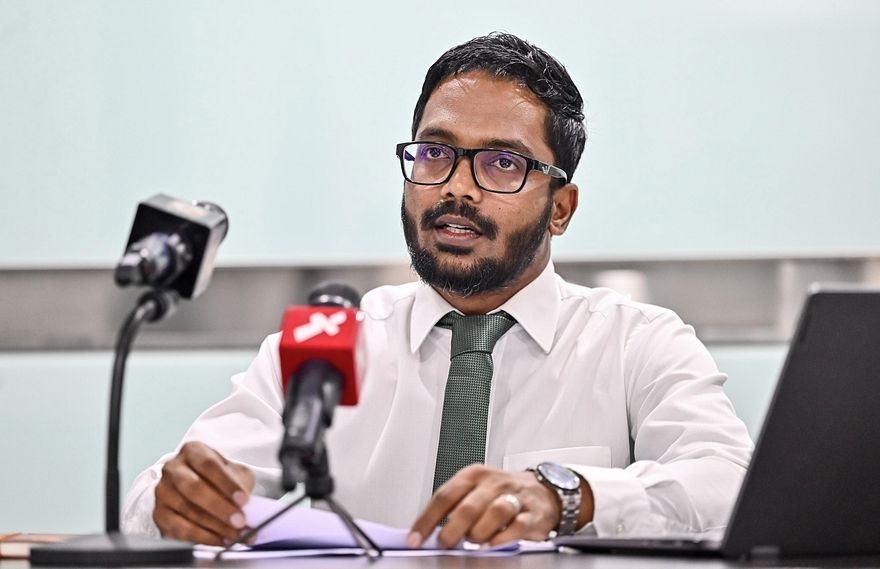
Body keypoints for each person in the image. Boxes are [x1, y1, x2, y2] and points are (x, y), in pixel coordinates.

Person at [122, 32, 753, 549]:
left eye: (502, 163)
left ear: (561, 208)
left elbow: (731, 483)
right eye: (435, 154)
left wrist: (568, 496)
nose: (457, 187)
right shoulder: (331, 341)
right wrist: (177, 502)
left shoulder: (636, 342)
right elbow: (152, 499)